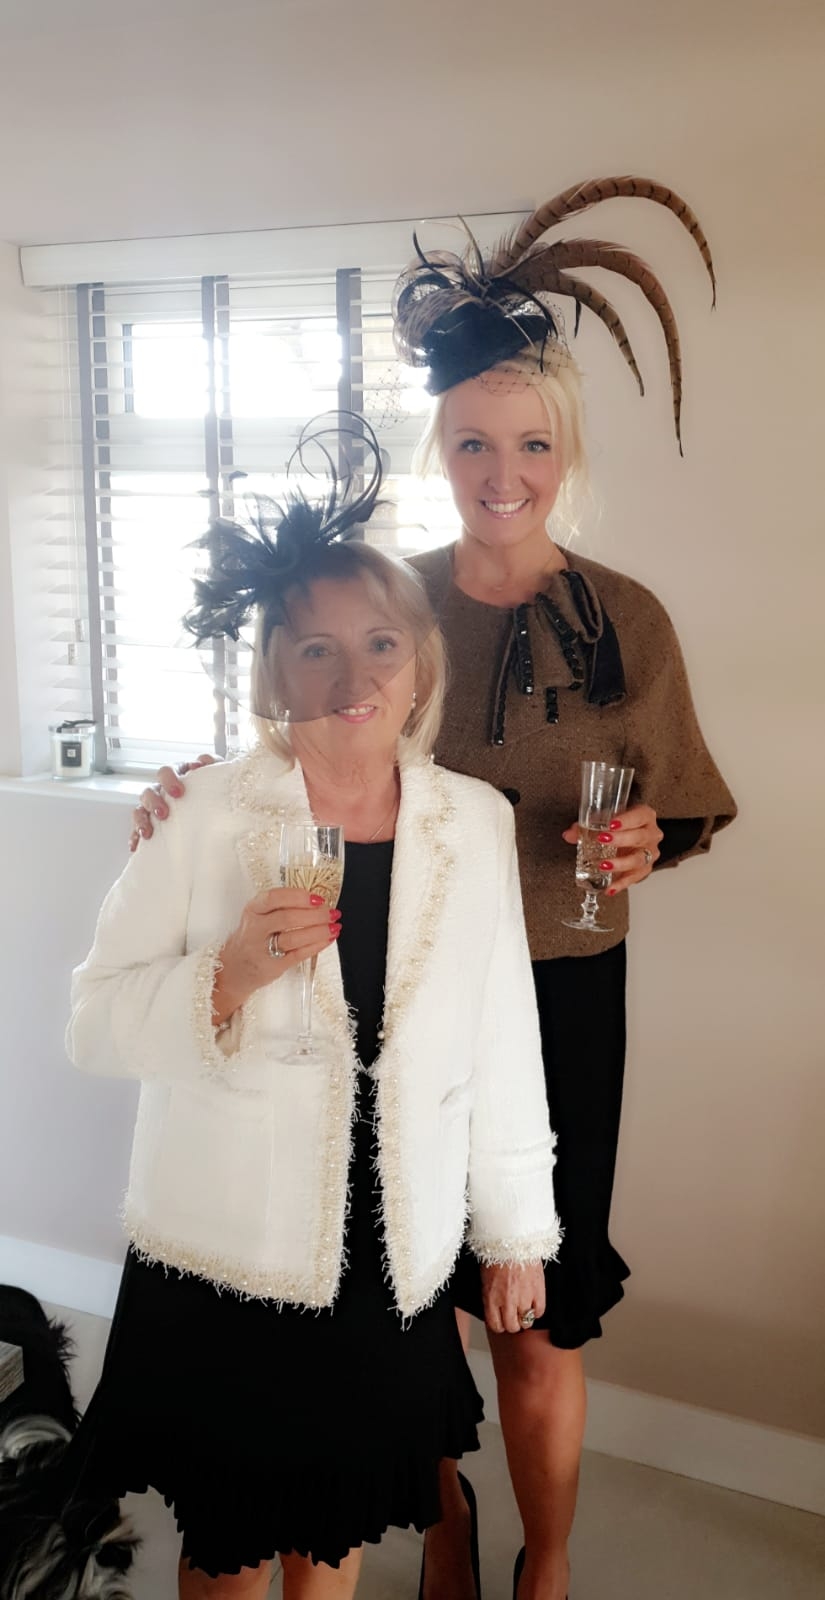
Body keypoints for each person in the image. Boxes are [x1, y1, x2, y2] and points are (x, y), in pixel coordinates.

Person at [133, 176, 737, 1600]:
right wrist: (179, 802)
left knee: (538, 1310)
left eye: (531, 443)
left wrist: (648, 842)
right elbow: (285, 755)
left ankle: (550, 1564)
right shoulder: (390, 609)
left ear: (563, 452)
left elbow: (676, 805)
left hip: (564, 992)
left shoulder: (626, 620)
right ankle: (445, 1526)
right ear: (442, 448)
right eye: (473, 442)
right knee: (410, 1298)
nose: (501, 471)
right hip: (385, 985)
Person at [67, 420, 561, 1600]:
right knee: (232, 1552)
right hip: (231, 1251)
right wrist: (227, 975)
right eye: (317, 650)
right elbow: (91, 1021)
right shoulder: (199, 817)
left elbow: (503, 1038)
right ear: (273, 674)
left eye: (381, 644)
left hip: (390, 1251)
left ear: (420, 665)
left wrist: (515, 1230)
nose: (354, 680)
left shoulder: (475, 823)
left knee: (333, 1543)